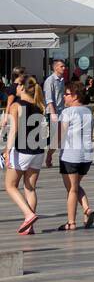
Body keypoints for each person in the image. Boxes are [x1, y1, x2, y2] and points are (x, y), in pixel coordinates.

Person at [4, 77, 47, 235]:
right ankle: (29, 226)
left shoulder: (16, 105)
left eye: (17, 85)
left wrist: (7, 150)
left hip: (22, 150)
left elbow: (14, 130)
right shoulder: (39, 106)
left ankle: (29, 215)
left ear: (22, 88)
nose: (15, 87)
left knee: (10, 186)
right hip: (38, 152)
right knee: (30, 188)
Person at [58, 81, 94, 231]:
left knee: (72, 189)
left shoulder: (67, 113)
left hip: (70, 155)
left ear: (74, 96)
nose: (64, 97)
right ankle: (87, 209)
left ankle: (71, 222)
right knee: (75, 186)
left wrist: (49, 154)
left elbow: (59, 136)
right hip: (87, 156)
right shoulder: (88, 111)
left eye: (66, 94)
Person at [43, 58, 67, 168]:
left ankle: (59, 157)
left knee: (61, 135)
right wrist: (53, 114)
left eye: (64, 66)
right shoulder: (50, 80)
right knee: (56, 137)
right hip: (54, 112)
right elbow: (49, 99)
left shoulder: (62, 80)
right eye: (61, 66)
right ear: (55, 67)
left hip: (62, 110)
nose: (64, 68)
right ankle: (48, 156)